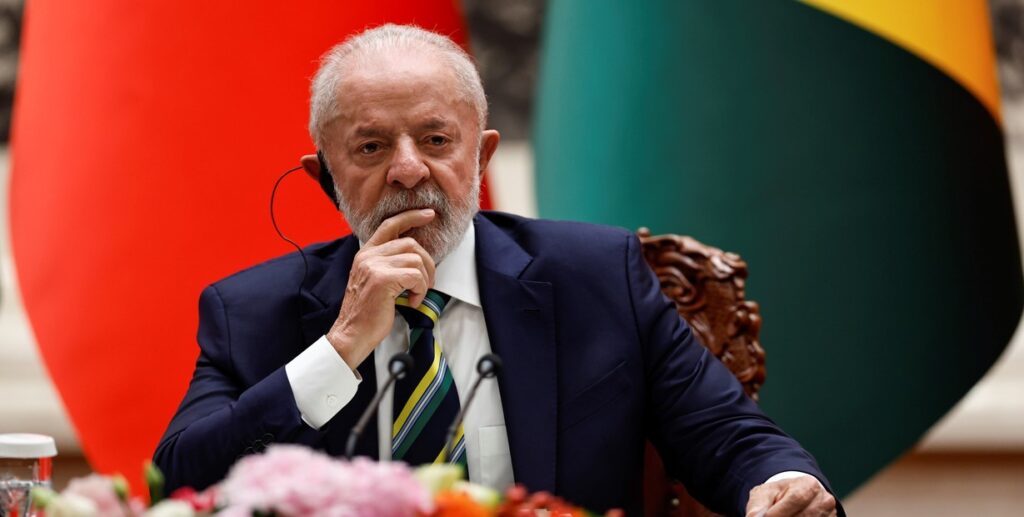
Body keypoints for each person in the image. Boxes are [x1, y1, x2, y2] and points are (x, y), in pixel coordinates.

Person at [155, 24, 841, 516]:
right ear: (324, 178)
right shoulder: (251, 312)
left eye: (436, 139)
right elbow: (180, 482)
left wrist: (780, 480)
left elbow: (725, 434)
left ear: (480, 157)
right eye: (371, 147)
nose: (409, 170)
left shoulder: (600, 277)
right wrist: (339, 348)